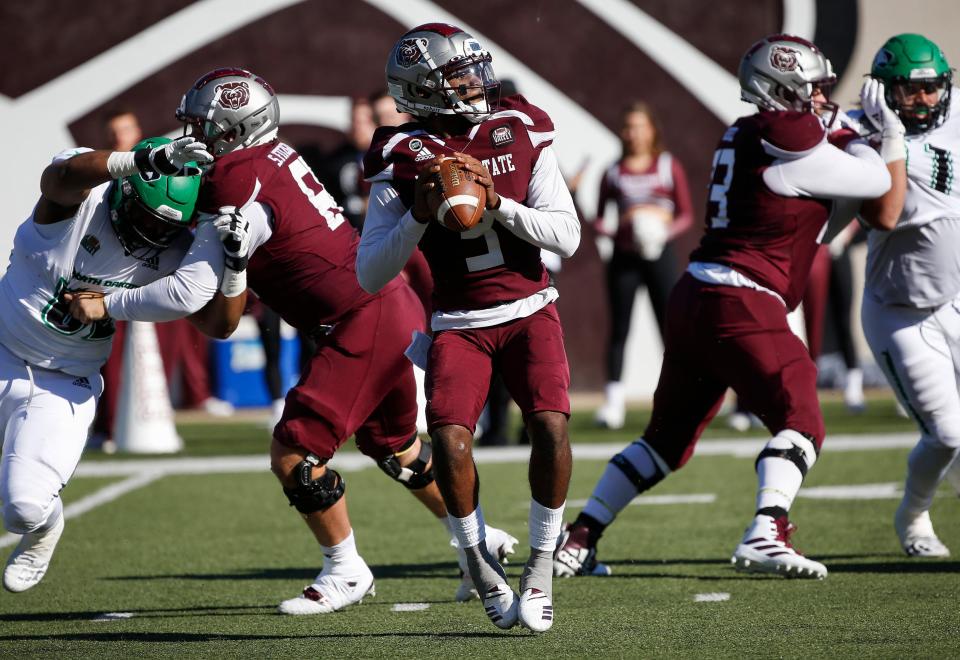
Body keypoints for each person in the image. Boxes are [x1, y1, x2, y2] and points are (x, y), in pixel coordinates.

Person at [69, 67, 517, 613]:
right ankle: (481, 543)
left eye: (201, 126)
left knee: (294, 452)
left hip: (361, 316)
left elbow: (192, 291)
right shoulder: (263, 159)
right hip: (380, 306)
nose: (191, 137)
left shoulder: (234, 176)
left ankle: (345, 569)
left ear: (232, 130)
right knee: (397, 447)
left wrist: (109, 301)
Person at [554, 34, 896, 582]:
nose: (819, 100)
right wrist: (876, 135)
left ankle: (581, 537)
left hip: (696, 295)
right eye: (809, 89)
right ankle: (767, 527)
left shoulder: (745, 132)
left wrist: (844, 133)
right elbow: (877, 179)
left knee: (664, 441)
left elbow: (819, 222)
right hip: (740, 299)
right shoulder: (786, 139)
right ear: (780, 89)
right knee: (802, 416)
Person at [357, 23, 581, 632]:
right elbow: (371, 272)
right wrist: (417, 215)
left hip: (530, 306)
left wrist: (497, 203)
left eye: (474, 68)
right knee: (451, 439)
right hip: (458, 321)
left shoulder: (519, 127)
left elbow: (567, 235)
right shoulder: (399, 155)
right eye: (457, 74)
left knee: (550, 426)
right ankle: (477, 560)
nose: (474, 81)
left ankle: (538, 564)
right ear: (424, 91)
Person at [1, 135, 214, 592]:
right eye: (145, 217)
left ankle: (44, 528)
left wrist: (234, 264)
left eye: (165, 227)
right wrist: (138, 161)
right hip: (1, 347)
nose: (153, 234)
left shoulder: (175, 251)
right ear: (125, 188)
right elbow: (60, 176)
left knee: (22, 507)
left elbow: (218, 322)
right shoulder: (78, 205)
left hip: (63, 383)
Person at [856, 34, 960, 557]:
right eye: (908, 90)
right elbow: (884, 216)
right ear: (884, 91)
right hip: (899, 311)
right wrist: (888, 136)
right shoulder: (864, 134)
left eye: (930, 89)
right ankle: (913, 517)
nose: (922, 100)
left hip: (956, 300)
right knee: (947, 435)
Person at [592, 102, 694, 430]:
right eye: (628, 126)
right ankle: (613, 404)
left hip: (659, 255)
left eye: (639, 126)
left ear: (652, 130)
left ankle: (678, 396)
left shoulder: (667, 166)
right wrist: (620, 231)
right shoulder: (614, 171)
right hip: (624, 256)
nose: (633, 133)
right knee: (620, 327)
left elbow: (686, 214)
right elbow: (597, 219)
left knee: (668, 325)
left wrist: (661, 230)